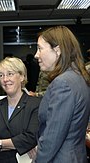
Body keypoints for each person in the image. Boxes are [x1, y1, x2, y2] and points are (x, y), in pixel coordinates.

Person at [34, 26, 90, 163]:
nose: (36, 55)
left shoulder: (62, 83)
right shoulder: (79, 77)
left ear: (57, 50)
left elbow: (52, 138)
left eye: (40, 49)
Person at [0, 57, 41, 163]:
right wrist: (21, 144)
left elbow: (31, 137)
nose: (5, 79)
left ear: (22, 76)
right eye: (1, 75)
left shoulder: (35, 104)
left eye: (10, 74)